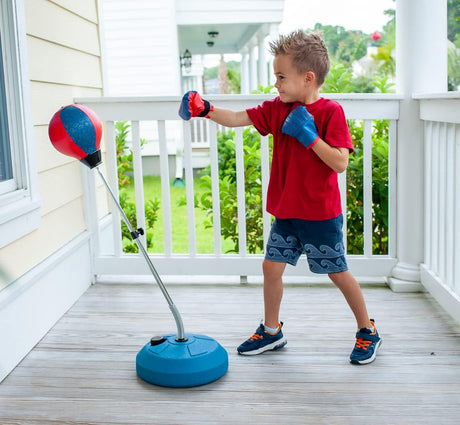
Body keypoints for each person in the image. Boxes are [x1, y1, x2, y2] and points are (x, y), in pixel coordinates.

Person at [178, 29, 381, 365]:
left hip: (320, 215)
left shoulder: (331, 112)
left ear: (308, 78)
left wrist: (309, 136)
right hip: (287, 213)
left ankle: (367, 330)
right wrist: (206, 109)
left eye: (282, 77)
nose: (276, 84)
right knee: (271, 268)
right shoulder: (277, 108)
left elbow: (340, 162)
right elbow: (238, 119)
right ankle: (272, 330)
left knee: (337, 272)